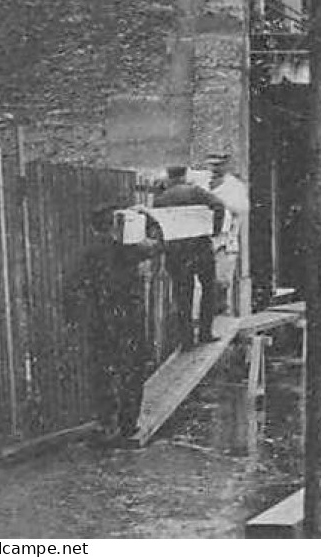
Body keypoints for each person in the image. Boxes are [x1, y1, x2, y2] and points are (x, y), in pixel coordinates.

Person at [80, 205, 162, 442]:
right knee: (132, 369)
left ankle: (106, 423)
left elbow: (74, 285)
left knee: (103, 371)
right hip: (129, 319)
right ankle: (128, 425)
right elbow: (159, 243)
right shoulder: (128, 249)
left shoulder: (89, 252)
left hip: (100, 320)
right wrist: (148, 216)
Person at [153, 165, 228, 348]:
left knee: (182, 295)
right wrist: (214, 230)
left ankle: (186, 340)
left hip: (176, 252)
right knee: (208, 290)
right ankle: (205, 333)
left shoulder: (161, 199)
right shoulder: (196, 191)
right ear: (185, 175)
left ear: (169, 177)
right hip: (200, 248)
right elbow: (219, 205)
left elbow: (157, 225)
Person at [201, 151, 249, 314]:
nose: (215, 168)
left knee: (221, 282)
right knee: (202, 285)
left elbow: (240, 211)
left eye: (219, 165)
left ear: (226, 165)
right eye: (212, 164)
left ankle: (221, 314)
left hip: (225, 240)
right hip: (203, 240)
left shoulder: (234, 186)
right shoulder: (201, 183)